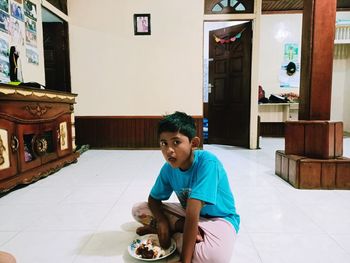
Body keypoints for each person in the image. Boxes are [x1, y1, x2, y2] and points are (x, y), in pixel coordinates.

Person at [132, 111, 240, 263]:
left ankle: (177, 233)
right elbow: (153, 199)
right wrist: (162, 221)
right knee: (138, 210)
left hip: (219, 219)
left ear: (193, 143)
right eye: (164, 143)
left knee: (215, 259)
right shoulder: (168, 168)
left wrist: (184, 261)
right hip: (188, 215)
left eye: (176, 142)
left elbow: (193, 209)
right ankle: (181, 230)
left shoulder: (208, 163)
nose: (169, 150)